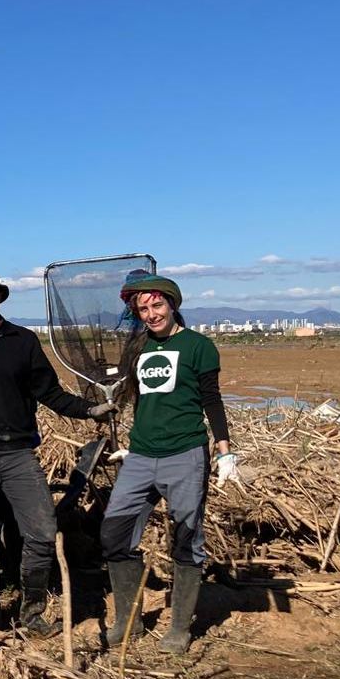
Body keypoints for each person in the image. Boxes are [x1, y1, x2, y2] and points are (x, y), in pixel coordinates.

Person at [0, 268, 115, 634]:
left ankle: (32, 613)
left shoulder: (22, 340)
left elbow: (50, 392)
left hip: (18, 453)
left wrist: (89, 410)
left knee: (42, 532)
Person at [100, 274, 232, 655]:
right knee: (114, 535)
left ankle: (179, 628)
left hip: (185, 454)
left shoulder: (198, 346)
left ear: (172, 304)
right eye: (143, 309)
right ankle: (129, 622)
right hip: (142, 455)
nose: (151, 313)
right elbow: (137, 399)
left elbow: (212, 400)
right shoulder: (139, 347)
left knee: (187, 538)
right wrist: (130, 443)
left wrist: (224, 450)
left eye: (157, 305)